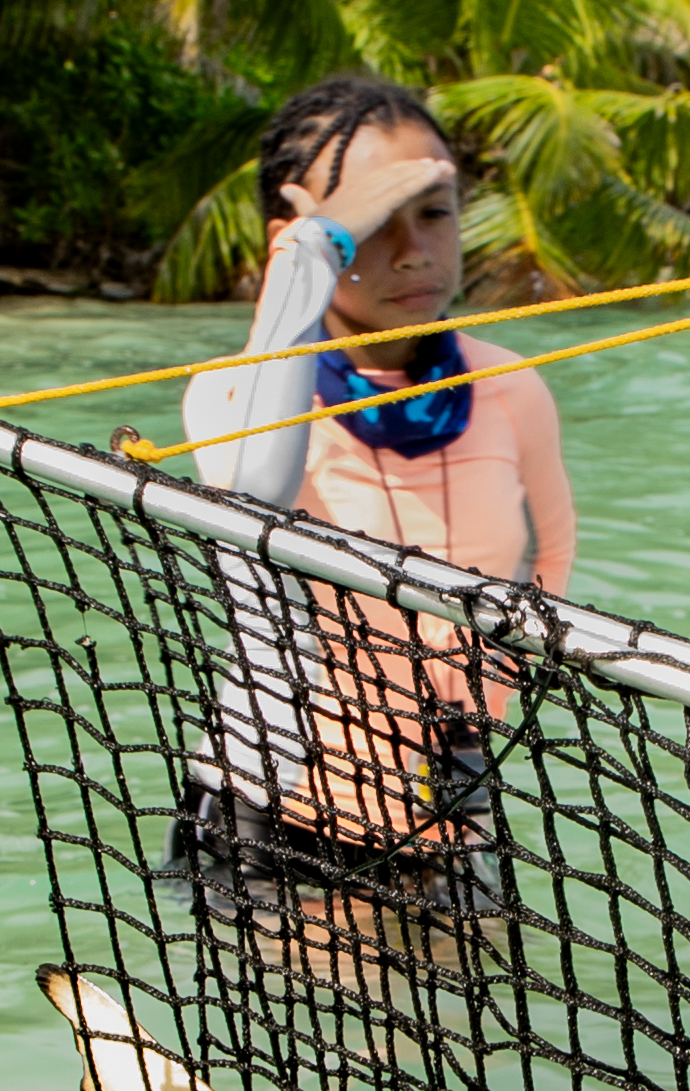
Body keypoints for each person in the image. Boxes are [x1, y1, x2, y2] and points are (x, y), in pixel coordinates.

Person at [170, 77, 579, 866]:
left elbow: (550, 561)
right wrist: (312, 255)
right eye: (371, 223)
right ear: (289, 236)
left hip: (453, 817)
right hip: (273, 823)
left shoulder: (512, 385)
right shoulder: (229, 393)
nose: (414, 251)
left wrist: (475, 717)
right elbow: (256, 492)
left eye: (434, 213)